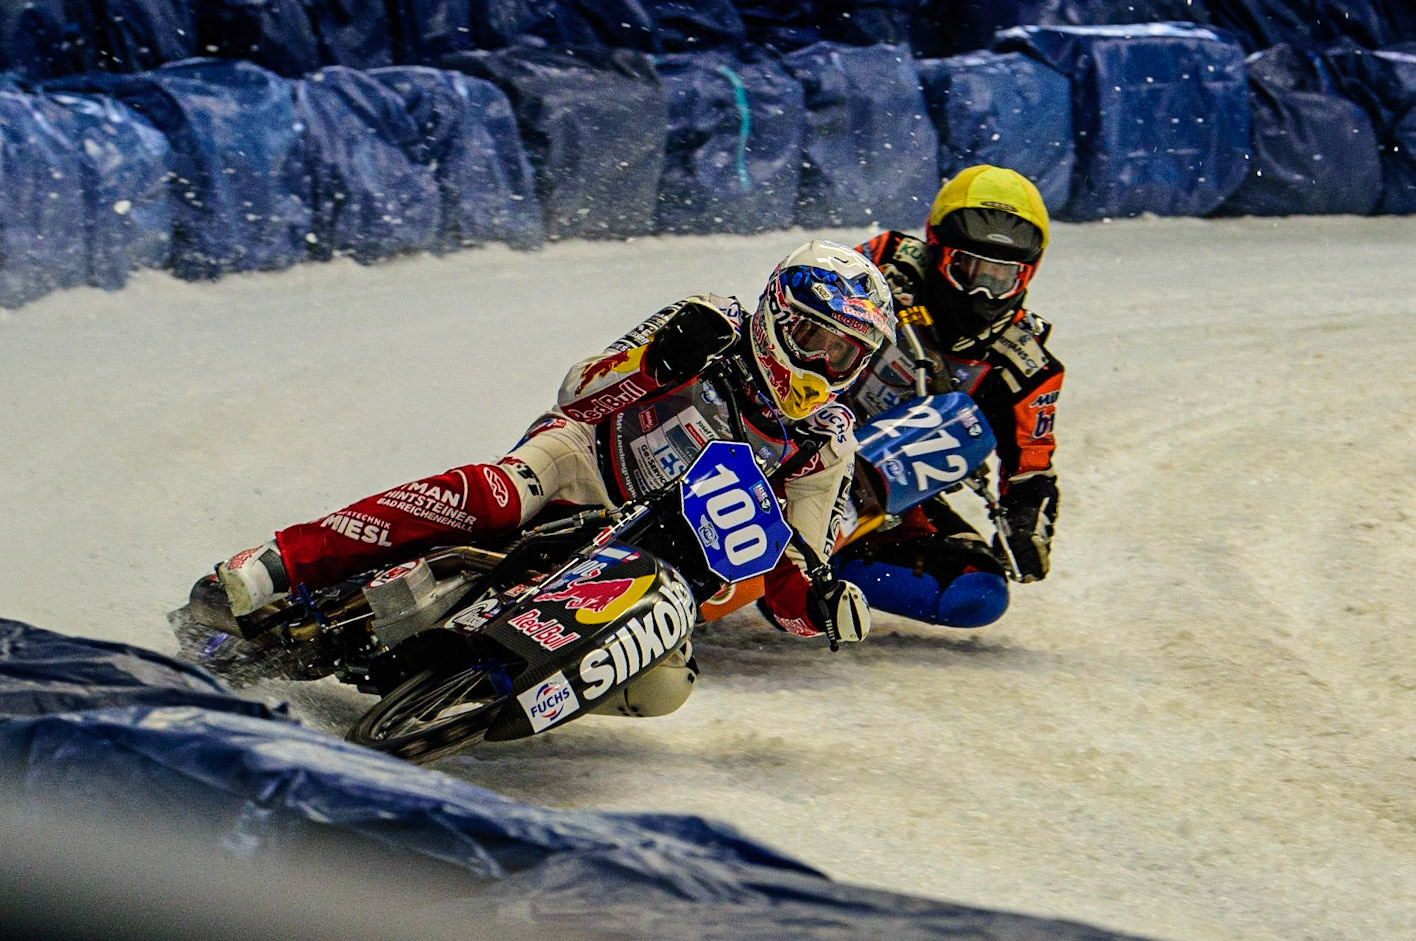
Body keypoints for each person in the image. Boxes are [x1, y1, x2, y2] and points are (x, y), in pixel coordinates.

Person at [213, 239, 896, 715]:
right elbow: (578, 389)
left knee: (665, 686)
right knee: (498, 492)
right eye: (815, 339)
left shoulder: (826, 440)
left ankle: (480, 694)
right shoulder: (710, 319)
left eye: (845, 354)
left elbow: (793, 571)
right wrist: (654, 362)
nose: (825, 364)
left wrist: (821, 607)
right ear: (777, 316)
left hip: (656, 558)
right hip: (583, 464)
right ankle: (284, 561)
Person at [835, 164, 1063, 629]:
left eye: (1000, 276)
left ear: (1027, 276)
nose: (980, 289)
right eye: (968, 268)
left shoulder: (1025, 365)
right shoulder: (883, 263)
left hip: (880, 494)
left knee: (975, 591)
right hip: (791, 430)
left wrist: (1027, 530)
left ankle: (817, 570)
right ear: (936, 251)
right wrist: (876, 302)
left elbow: (1031, 473)